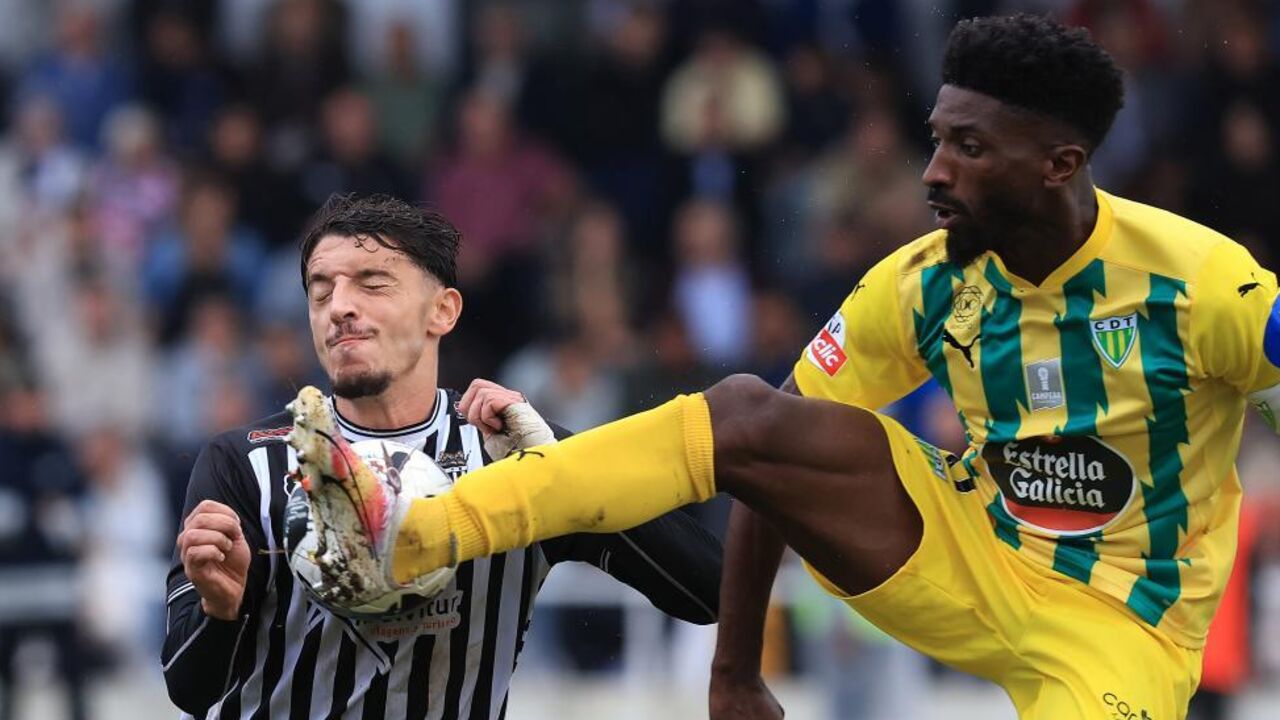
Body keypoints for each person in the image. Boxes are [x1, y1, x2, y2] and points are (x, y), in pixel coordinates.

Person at [297, 15, 1280, 719]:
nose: (931, 171)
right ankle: (412, 541)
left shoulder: (1199, 286)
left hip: (1119, 625)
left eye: (967, 148)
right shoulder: (923, 282)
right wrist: (733, 670)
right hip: (964, 551)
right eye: (935, 139)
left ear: (1057, 165)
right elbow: (766, 461)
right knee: (746, 411)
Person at [160, 194, 723, 719]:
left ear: (443, 312)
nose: (339, 307)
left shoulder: (515, 451)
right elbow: (188, 687)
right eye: (321, 289)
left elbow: (709, 592)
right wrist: (219, 610)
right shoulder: (244, 463)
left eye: (372, 283)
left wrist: (566, 475)